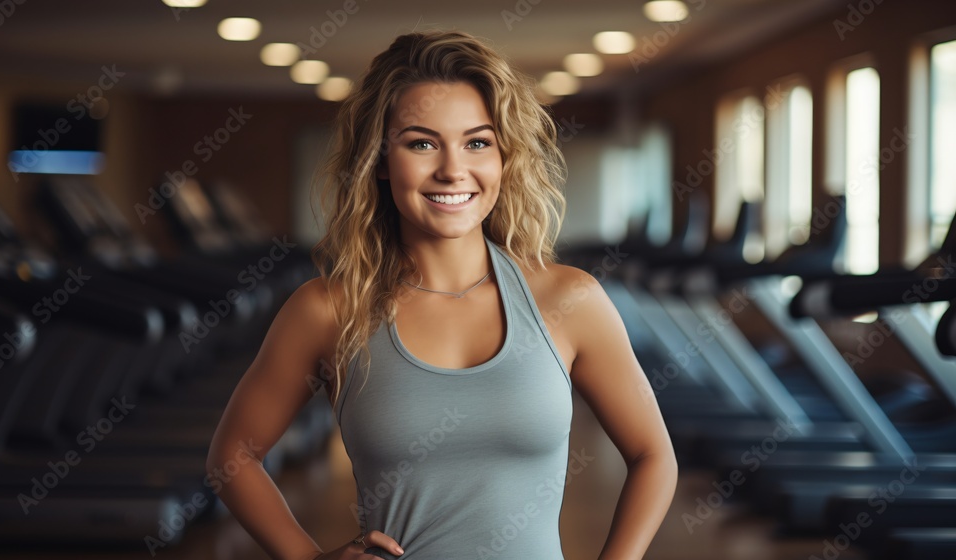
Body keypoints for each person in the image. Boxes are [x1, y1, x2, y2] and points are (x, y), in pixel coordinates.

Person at [207, 30, 677, 560]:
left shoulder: (571, 300)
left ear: (504, 158)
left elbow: (653, 453)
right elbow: (233, 456)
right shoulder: (329, 310)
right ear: (381, 160)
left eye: (478, 142)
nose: (453, 169)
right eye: (421, 143)